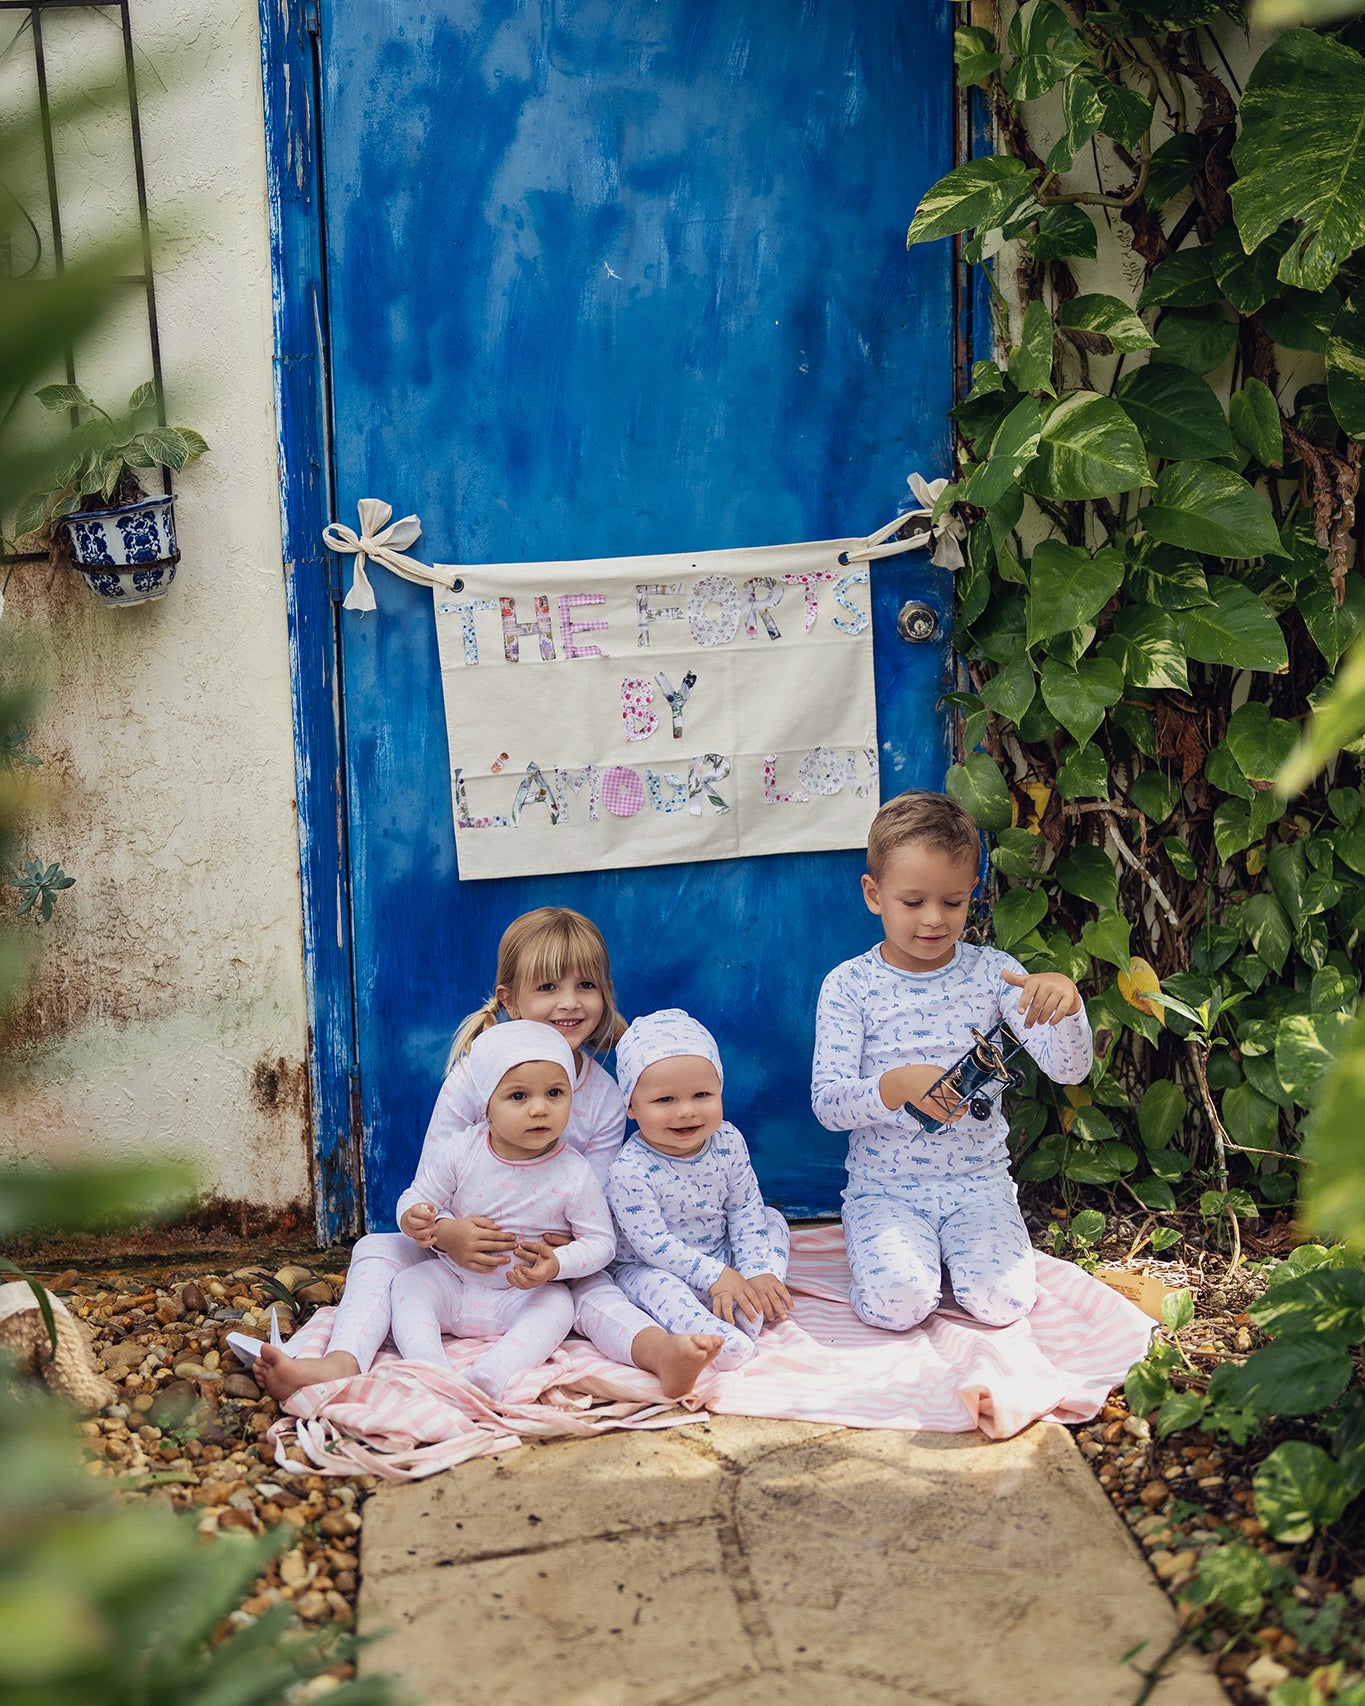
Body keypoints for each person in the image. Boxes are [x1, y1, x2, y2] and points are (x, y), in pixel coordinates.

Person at [257, 907, 722, 1401]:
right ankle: (341, 1359)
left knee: (591, 1292)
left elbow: (605, 1200)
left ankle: (660, 1354)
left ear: (605, 992)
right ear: (509, 1000)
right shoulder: (472, 1080)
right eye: (547, 987)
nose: (569, 1002)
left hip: (543, 1263)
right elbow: (429, 1184)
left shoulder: (605, 1094)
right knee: (377, 1248)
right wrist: (444, 1233)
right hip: (460, 1255)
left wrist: (563, 1252)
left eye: (586, 985)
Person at [811, 790, 1092, 1333]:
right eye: (913, 902)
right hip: (884, 1191)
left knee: (1003, 1303)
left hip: (979, 1185)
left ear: (973, 896)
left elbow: (1068, 1070)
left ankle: (962, 1252)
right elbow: (827, 1105)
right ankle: (898, 1259)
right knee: (898, 1305)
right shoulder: (850, 986)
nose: (934, 920)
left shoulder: (997, 975)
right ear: (874, 894)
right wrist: (891, 1087)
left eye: (953, 902)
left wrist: (1068, 1006)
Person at [390, 1020, 615, 1399]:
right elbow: (416, 1196)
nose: (539, 1109)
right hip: (455, 1282)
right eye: (518, 1097)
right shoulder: (463, 1150)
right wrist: (413, 1217)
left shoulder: (574, 1173)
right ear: (487, 1108)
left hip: (522, 1294)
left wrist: (558, 1264)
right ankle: (428, 1366)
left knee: (558, 1306)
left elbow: (601, 1242)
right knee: (409, 1285)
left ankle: (494, 1373)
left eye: (555, 1093)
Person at [607, 1009, 792, 1370]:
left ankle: (754, 1293)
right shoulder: (630, 1170)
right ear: (630, 1105)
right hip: (656, 1268)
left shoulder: (728, 1141)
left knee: (770, 1219)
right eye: (665, 1100)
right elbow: (653, 1244)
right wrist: (714, 1276)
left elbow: (744, 1208)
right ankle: (712, 1338)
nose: (687, 1111)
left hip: (721, 1256)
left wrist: (755, 1268)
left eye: (702, 1094)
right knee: (662, 1289)